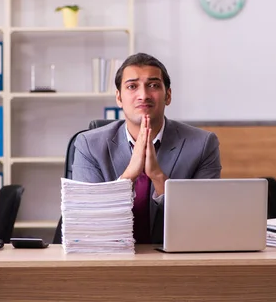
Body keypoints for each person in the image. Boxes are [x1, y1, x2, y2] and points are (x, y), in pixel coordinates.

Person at [72, 52, 222, 244]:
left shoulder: (202, 144)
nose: (143, 95)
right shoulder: (88, 144)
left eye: (153, 85)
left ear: (168, 95)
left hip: (175, 260)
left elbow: (204, 221)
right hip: (109, 258)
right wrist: (129, 176)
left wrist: (159, 177)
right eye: (132, 86)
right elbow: (88, 219)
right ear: (119, 98)